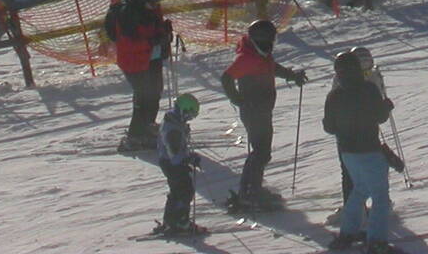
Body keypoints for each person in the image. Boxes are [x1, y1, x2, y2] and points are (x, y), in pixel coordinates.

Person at [220, 18, 307, 212]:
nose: (271, 44)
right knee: (261, 151)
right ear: (260, 40)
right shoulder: (246, 59)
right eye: (270, 40)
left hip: (262, 110)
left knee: (261, 151)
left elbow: (273, 68)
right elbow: (226, 78)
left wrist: (292, 76)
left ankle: (250, 189)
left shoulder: (261, 56)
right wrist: (238, 99)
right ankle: (250, 191)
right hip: (253, 111)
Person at [323, 49, 397, 253]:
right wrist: (386, 106)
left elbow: (329, 127)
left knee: (360, 189)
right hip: (370, 149)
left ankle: (348, 232)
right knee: (380, 196)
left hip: (347, 153)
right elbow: (380, 117)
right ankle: (376, 241)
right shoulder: (368, 89)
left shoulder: (334, 95)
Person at [102, 0, 173, 151]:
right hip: (134, 62)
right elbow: (128, 44)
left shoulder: (150, 3)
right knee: (143, 97)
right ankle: (134, 136)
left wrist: (164, 33)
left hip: (152, 58)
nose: (154, 5)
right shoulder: (128, 13)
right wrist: (152, 41)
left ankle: (147, 128)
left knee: (154, 93)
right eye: (151, 3)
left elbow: (155, 26)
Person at [153, 92, 206, 236]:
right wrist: (189, 159)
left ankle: (170, 220)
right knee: (185, 190)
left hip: (168, 162)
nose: (189, 119)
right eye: (189, 115)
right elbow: (175, 154)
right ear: (183, 111)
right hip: (172, 164)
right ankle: (180, 222)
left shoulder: (173, 121)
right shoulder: (173, 130)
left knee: (177, 190)